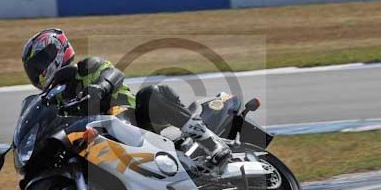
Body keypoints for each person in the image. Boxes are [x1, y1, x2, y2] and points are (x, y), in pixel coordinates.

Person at [21, 28, 231, 169]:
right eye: (33, 69)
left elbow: (114, 73)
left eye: (40, 62)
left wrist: (101, 86)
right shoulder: (53, 99)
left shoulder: (87, 67)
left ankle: (213, 145)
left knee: (152, 93)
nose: (38, 71)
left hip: (134, 120)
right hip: (98, 141)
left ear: (56, 51)